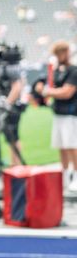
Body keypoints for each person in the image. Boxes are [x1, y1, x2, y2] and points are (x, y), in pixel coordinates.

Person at [35, 41, 77, 191]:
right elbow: (42, 83)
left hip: (71, 114)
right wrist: (41, 86)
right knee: (62, 146)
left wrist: (47, 91)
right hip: (58, 113)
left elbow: (67, 92)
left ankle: (75, 175)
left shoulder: (73, 70)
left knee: (72, 145)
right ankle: (65, 175)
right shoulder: (55, 70)